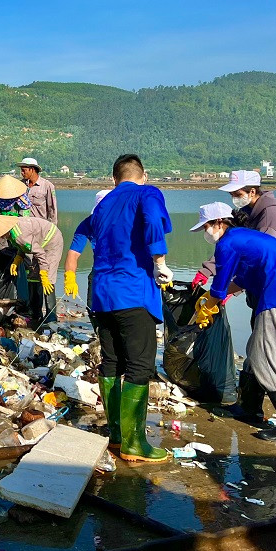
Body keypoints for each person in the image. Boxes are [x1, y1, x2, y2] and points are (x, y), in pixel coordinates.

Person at [191, 202, 276, 443]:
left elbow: (220, 285)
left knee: (268, 359)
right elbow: (244, 280)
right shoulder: (245, 238)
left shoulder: (228, 243)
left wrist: (208, 305)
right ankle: (249, 408)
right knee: (256, 352)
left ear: (219, 223)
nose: (205, 232)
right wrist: (213, 297)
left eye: (206, 226)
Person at [87, 154, 173, 462]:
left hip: (102, 295)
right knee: (139, 365)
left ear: (114, 179)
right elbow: (153, 220)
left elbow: (89, 237)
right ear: (143, 175)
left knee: (111, 362)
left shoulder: (103, 203)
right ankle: (134, 443)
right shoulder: (146, 193)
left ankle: (116, 435)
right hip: (133, 292)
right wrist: (160, 261)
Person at [193, 170, 276, 288]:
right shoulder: (245, 213)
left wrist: (232, 288)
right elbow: (231, 245)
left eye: (237, 194)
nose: (234, 198)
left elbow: (259, 257)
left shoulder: (270, 215)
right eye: (231, 194)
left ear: (252, 192)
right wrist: (208, 270)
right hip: (265, 286)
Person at [0, 213, 63, 326]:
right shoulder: (13, 233)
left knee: (48, 278)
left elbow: (39, 253)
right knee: (33, 276)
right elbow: (24, 247)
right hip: (39, 243)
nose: (0, 237)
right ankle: (35, 313)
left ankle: (51, 317)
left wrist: (44, 274)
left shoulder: (19, 235)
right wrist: (17, 259)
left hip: (52, 241)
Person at [62, 189, 112, 304]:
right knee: (93, 307)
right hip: (99, 269)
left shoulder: (127, 223)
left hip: (124, 271)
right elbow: (73, 253)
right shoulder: (88, 224)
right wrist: (70, 277)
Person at [19, 157, 57, 223]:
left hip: (39, 226)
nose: (22, 173)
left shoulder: (47, 186)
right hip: (23, 224)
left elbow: (52, 209)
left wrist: (53, 227)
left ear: (32, 170)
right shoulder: (20, 185)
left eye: (24, 170)